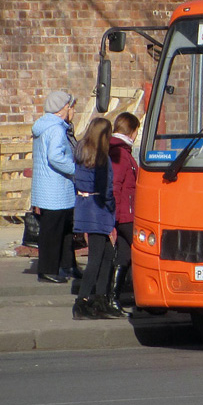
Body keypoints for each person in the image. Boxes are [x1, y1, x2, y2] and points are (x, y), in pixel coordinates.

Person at [72, 117, 121, 319]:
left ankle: (100, 298)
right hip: (99, 209)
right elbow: (106, 190)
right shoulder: (102, 159)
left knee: (108, 254)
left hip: (85, 207)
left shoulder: (82, 154)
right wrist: (112, 209)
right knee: (96, 259)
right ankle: (82, 301)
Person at [30, 90, 79, 284]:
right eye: (70, 107)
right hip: (56, 189)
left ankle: (67, 264)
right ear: (62, 109)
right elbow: (55, 156)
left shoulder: (44, 126)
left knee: (65, 230)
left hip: (50, 188)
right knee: (53, 231)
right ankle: (48, 269)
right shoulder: (56, 129)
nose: (72, 110)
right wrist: (75, 169)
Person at [108, 112, 140, 315]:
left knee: (125, 256)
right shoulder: (119, 152)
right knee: (143, 251)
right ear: (132, 130)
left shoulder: (121, 151)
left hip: (124, 213)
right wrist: (113, 218)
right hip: (124, 215)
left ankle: (114, 298)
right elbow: (115, 186)